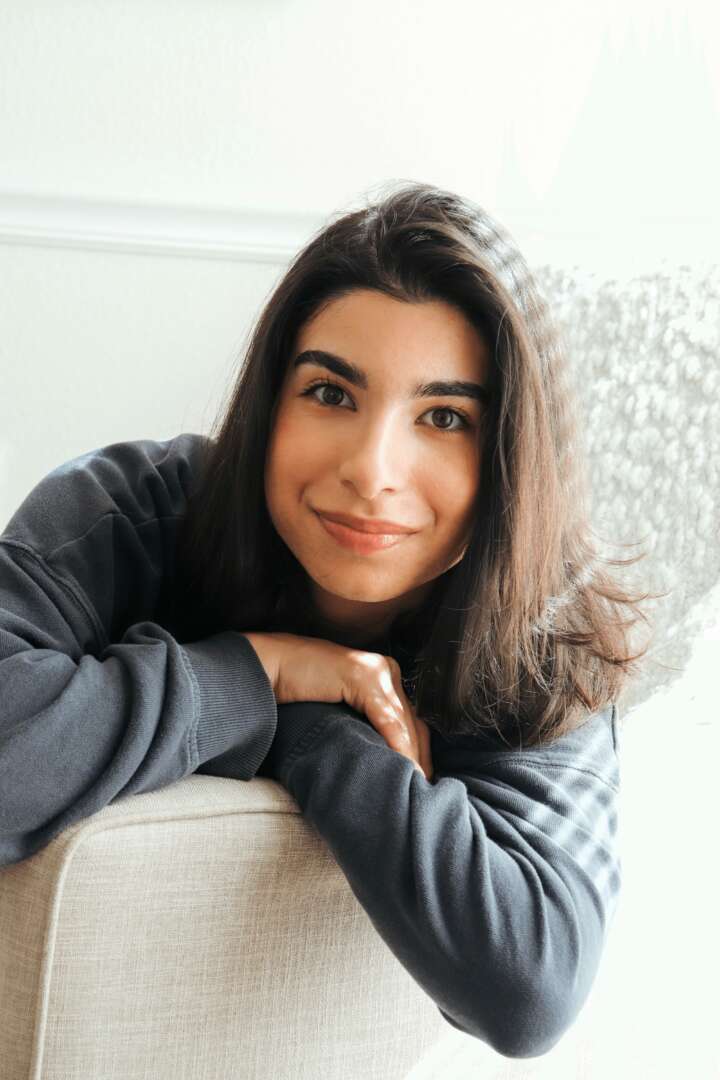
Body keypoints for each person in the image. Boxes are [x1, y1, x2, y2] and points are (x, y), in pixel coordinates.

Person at [0, 181, 657, 1059]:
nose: (372, 469)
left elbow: (529, 985)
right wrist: (251, 674)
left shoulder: (540, 632)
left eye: (444, 417)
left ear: (508, 456)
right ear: (269, 401)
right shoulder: (128, 511)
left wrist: (312, 723)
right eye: (331, 394)